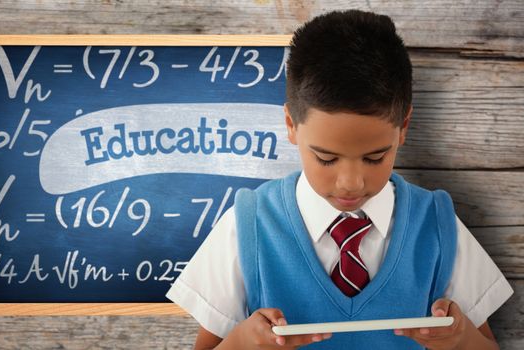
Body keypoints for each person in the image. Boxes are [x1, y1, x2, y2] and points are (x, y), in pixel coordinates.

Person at [166, 9, 513, 350]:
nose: (351, 183)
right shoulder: (247, 227)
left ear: (404, 127)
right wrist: (242, 342)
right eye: (326, 158)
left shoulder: (437, 226)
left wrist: (460, 338)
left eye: (375, 157)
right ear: (290, 125)